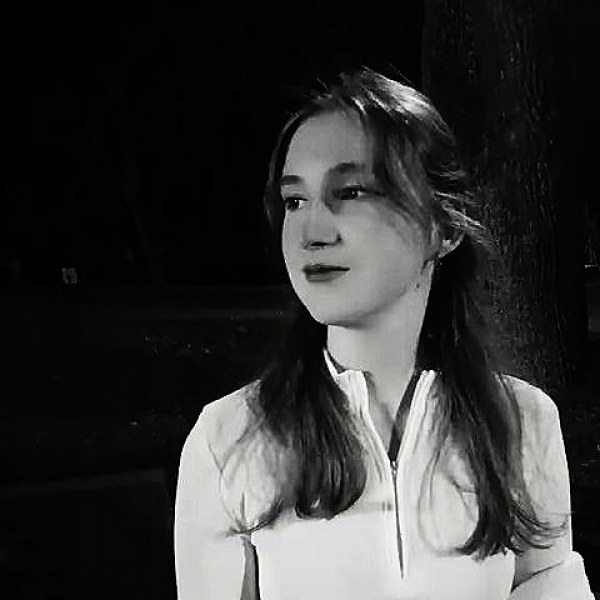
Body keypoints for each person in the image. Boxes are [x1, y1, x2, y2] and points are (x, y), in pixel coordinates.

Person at [174, 68, 594, 599]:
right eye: (295, 201)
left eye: (350, 192)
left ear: (443, 228)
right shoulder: (229, 439)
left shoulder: (522, 422)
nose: (310, 232)